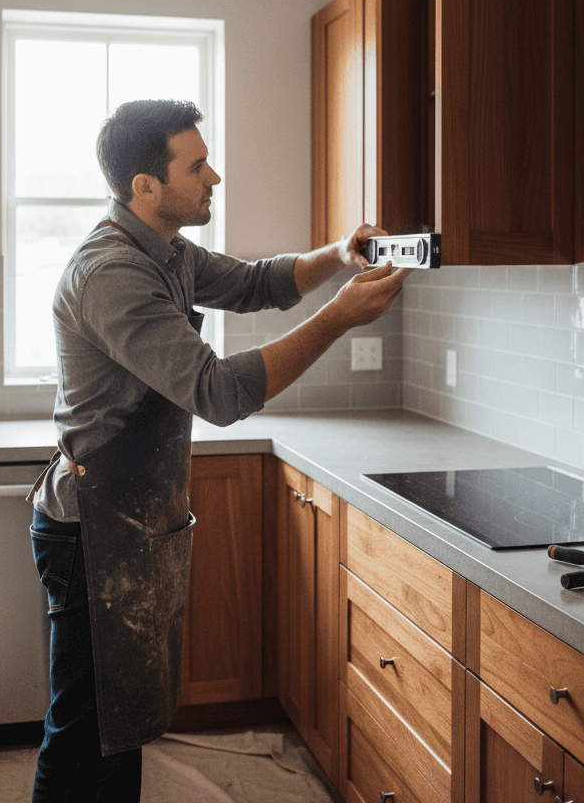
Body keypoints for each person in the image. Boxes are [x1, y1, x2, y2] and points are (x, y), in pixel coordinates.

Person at [28, 99, 408, 802]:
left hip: (131, 523)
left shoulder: (164, 249)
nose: (215, 177)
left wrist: (337, 257)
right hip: (93, 533)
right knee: (83, 730)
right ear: (146, 186)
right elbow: (219, 392)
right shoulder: (113, 273)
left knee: (122, 725)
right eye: (196, 165)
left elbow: (255, 283)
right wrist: (341, 316)